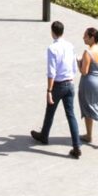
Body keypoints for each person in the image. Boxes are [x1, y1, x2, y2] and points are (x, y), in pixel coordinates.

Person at [31, 20, 81, 158]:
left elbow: (51, 72)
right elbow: (74, 66)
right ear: (63, 31)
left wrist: (49, 91)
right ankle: (76, 146)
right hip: (70, 83)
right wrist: (71, 78)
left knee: (50, 111)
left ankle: (44, 135)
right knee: (71, 115)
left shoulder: (52, 49)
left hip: (58, 85)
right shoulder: (70, 46)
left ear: (52, 32)